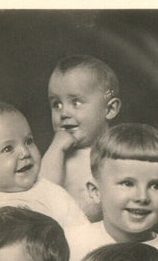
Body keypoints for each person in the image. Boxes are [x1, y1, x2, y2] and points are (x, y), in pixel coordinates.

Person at [64, 123, 158, 261]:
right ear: (95, 192)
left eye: (155, 186)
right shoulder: (70, 243)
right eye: (128, 183)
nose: (142, 197)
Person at [0, 101, 87, 231]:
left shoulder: (51, 192)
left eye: (28, 141)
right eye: (8, 149)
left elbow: (83, 233)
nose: (25, 153)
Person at [40, 55, 121, 222]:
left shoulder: (119, 152)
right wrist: (56, 148)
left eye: (75, 102)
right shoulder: (56, 155)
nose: (64, 113)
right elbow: (42, 195)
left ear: (110, 109)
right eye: (56, 104)